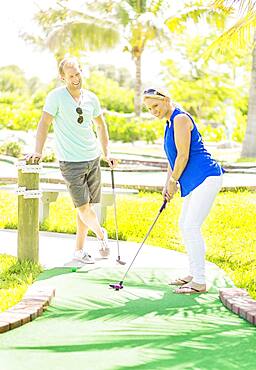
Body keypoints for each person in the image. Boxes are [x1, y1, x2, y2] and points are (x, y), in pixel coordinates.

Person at [26, 57, 117, 264]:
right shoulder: (56, 97)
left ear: (81, 72)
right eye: (70, 76)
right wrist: (37, 151)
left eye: (77, 74)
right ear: (62, 78)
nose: (75, 79)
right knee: (83, 208)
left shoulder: (91, 98)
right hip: (70, 161)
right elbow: (44, 124)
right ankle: (102, 235)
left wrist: (106, 153)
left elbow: (101, 126)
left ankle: (79, 251)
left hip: (92, 158)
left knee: (86, 208)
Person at [143, 88, 224, 294]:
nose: (153, 111)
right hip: (196, 180)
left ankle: (199, 281)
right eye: (149, 108)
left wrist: (173, 181)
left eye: (156, 106)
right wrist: (167, 183)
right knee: (185, 224)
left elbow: (183, 156)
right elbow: (173, 157)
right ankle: (193, 273)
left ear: (167, 100)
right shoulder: (169, 123)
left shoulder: (180, 119)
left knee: (190, 226)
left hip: (206, 177)